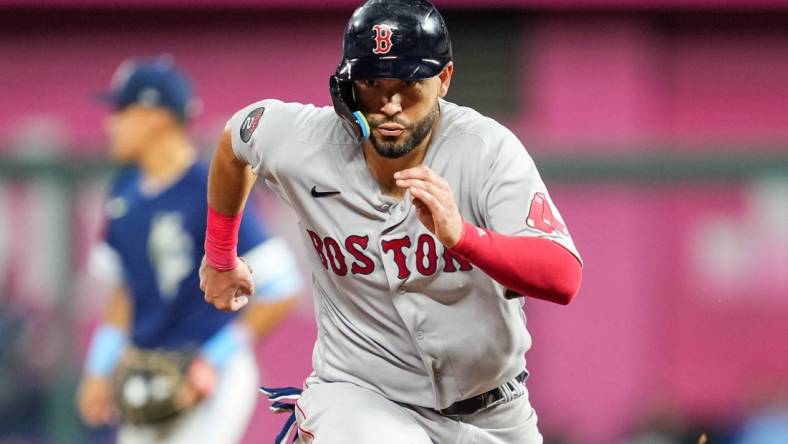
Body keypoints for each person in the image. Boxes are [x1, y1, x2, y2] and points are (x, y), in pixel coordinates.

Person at [200, 0, 583, 442]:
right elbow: (236, 140)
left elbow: (563, 275)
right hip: (362, 398)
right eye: (371, 83)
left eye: (408, 83)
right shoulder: (306, 141)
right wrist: (220, 255)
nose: (390, 104)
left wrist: (463, 237)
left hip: (495, 412)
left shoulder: (486, 151)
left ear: (444, 79)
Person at [75, 57, 303, 444]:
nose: (110, 123)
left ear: (154, 117)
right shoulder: (124, 191)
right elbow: (123, 288)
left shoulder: (207, 187)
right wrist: (99, 368)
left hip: (210, 372)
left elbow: (282, 287)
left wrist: (212, 359)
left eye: (121, 111)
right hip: (146, 372)